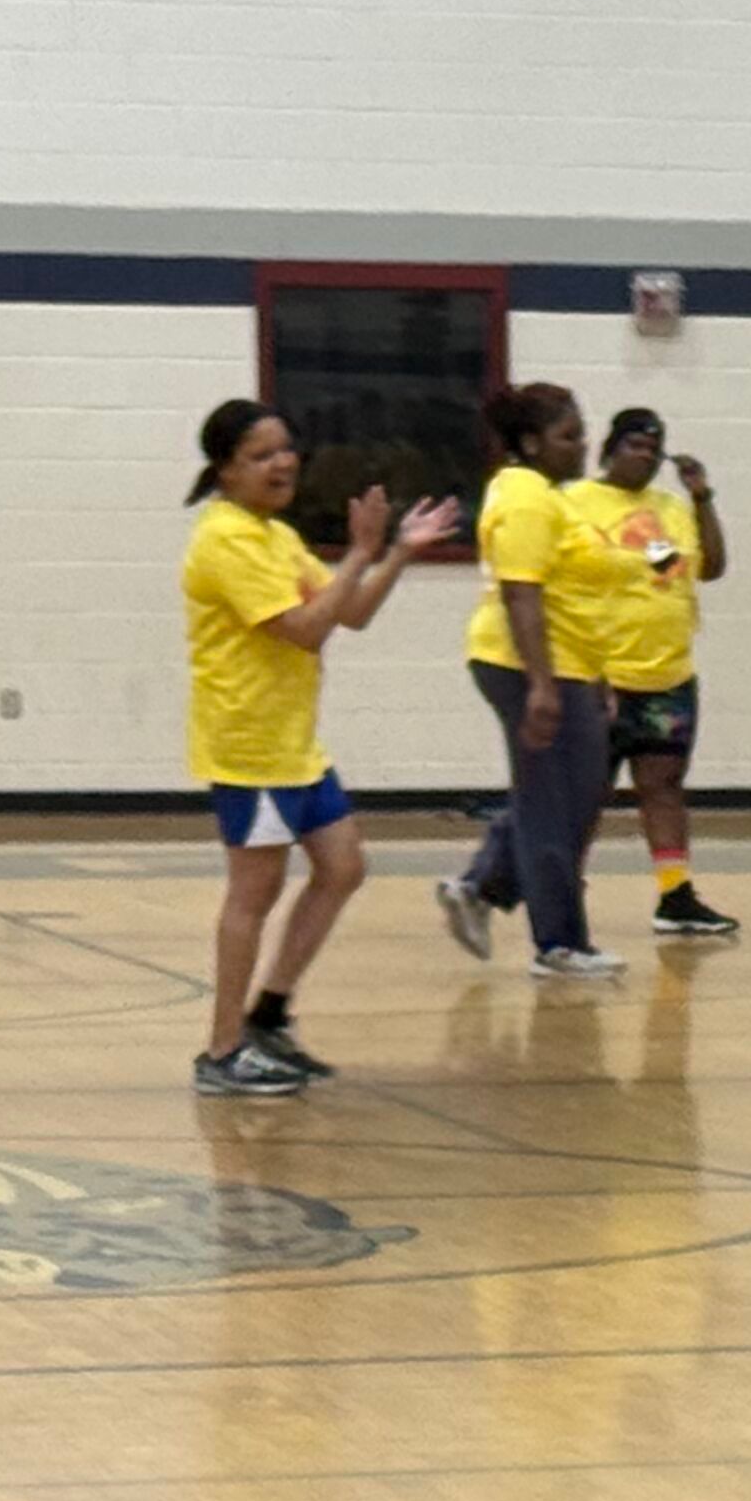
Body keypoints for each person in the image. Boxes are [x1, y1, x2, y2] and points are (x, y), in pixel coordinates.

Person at [177, 402, 456, 1094]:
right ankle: (222, 1051)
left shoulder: (274, 536)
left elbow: (350, 612)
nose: (282, 463)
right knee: (255, 892)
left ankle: (268, 1016)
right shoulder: (225, 540)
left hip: (293, 743)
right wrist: (360, 552)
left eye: (285, 449)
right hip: (250, 745)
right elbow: (304, 629)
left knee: (342, 865)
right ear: (225, 470)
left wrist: (396, 552)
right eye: (261, 455)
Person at [435, 384, 636, 981]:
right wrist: (543, 687)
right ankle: (560, 943)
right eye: (569, 435)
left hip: (571, 666)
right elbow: (523, 594)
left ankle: (478, 886)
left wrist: (592, 674)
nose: (582, 445)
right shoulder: (523, 496)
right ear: (531, 442)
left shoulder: (553, 496)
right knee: (555, 804)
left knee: (570, 797)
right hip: (526, 665)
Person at [573, 408, 738, 938]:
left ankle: (675, 895)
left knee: (662, 785)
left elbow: (706, 568)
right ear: (609, 449)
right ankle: (564, 891)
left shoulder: (668, 508)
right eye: (633, 446)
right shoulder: (577, 503)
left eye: (653, 449)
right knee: (585, 790)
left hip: (667, 674)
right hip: (601, 675)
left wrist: (701, 495)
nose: (643, 456)